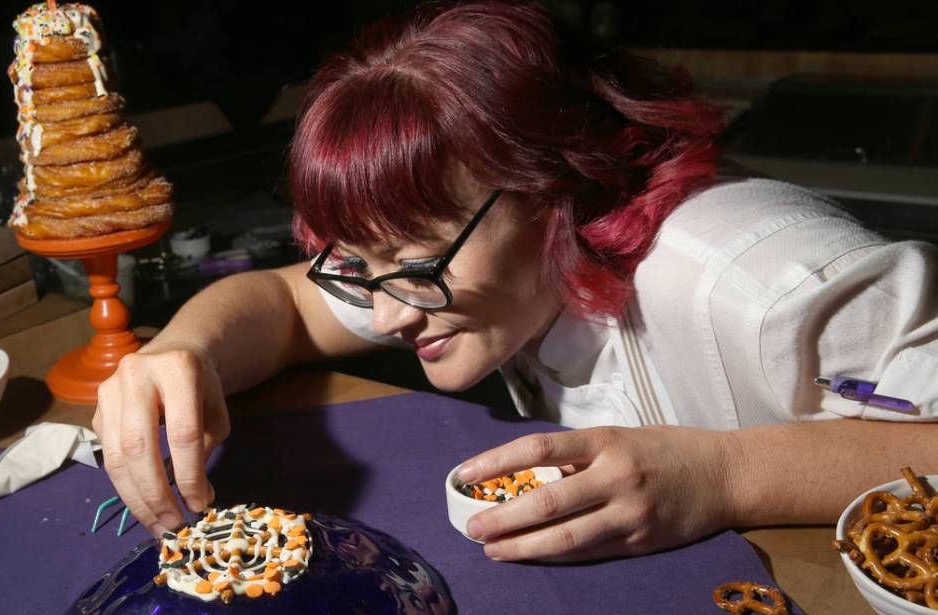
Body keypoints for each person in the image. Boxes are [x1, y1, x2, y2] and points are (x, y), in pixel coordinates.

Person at [93, 1, 938, 562]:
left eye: (417, 256)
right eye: (357, 261)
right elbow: (280, 302)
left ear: (552, 186)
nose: (385, 314)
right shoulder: (429, 277)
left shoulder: (759, 276)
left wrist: (723, 477)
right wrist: (183, 351)